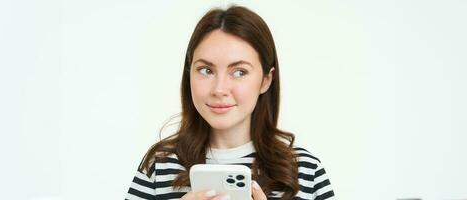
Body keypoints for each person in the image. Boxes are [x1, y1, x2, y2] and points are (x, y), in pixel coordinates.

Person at [125, 5, 335, 200]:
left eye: (239, 72)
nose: (219, 89)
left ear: (266, 80)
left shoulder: (306, 171)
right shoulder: (159, 166)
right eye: (206, 70)